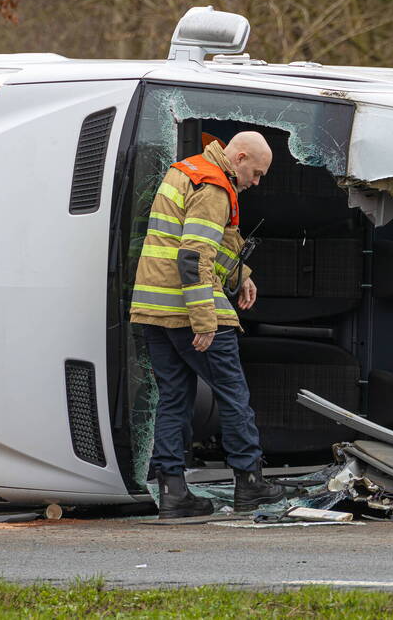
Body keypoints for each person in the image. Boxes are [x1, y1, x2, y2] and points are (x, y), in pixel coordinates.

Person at [130, 131, 285, 518]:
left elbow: (200, 247)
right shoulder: (214, 186)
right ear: (240, 157)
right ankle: (249, 482)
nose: (256, 182)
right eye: (257, 172)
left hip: (154, 308)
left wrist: (241, 275)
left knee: (174, 398)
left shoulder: (187, 172)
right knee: (233, 394)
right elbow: (192, 257)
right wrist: (204, 320)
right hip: (187, 310)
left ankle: (174, 492)